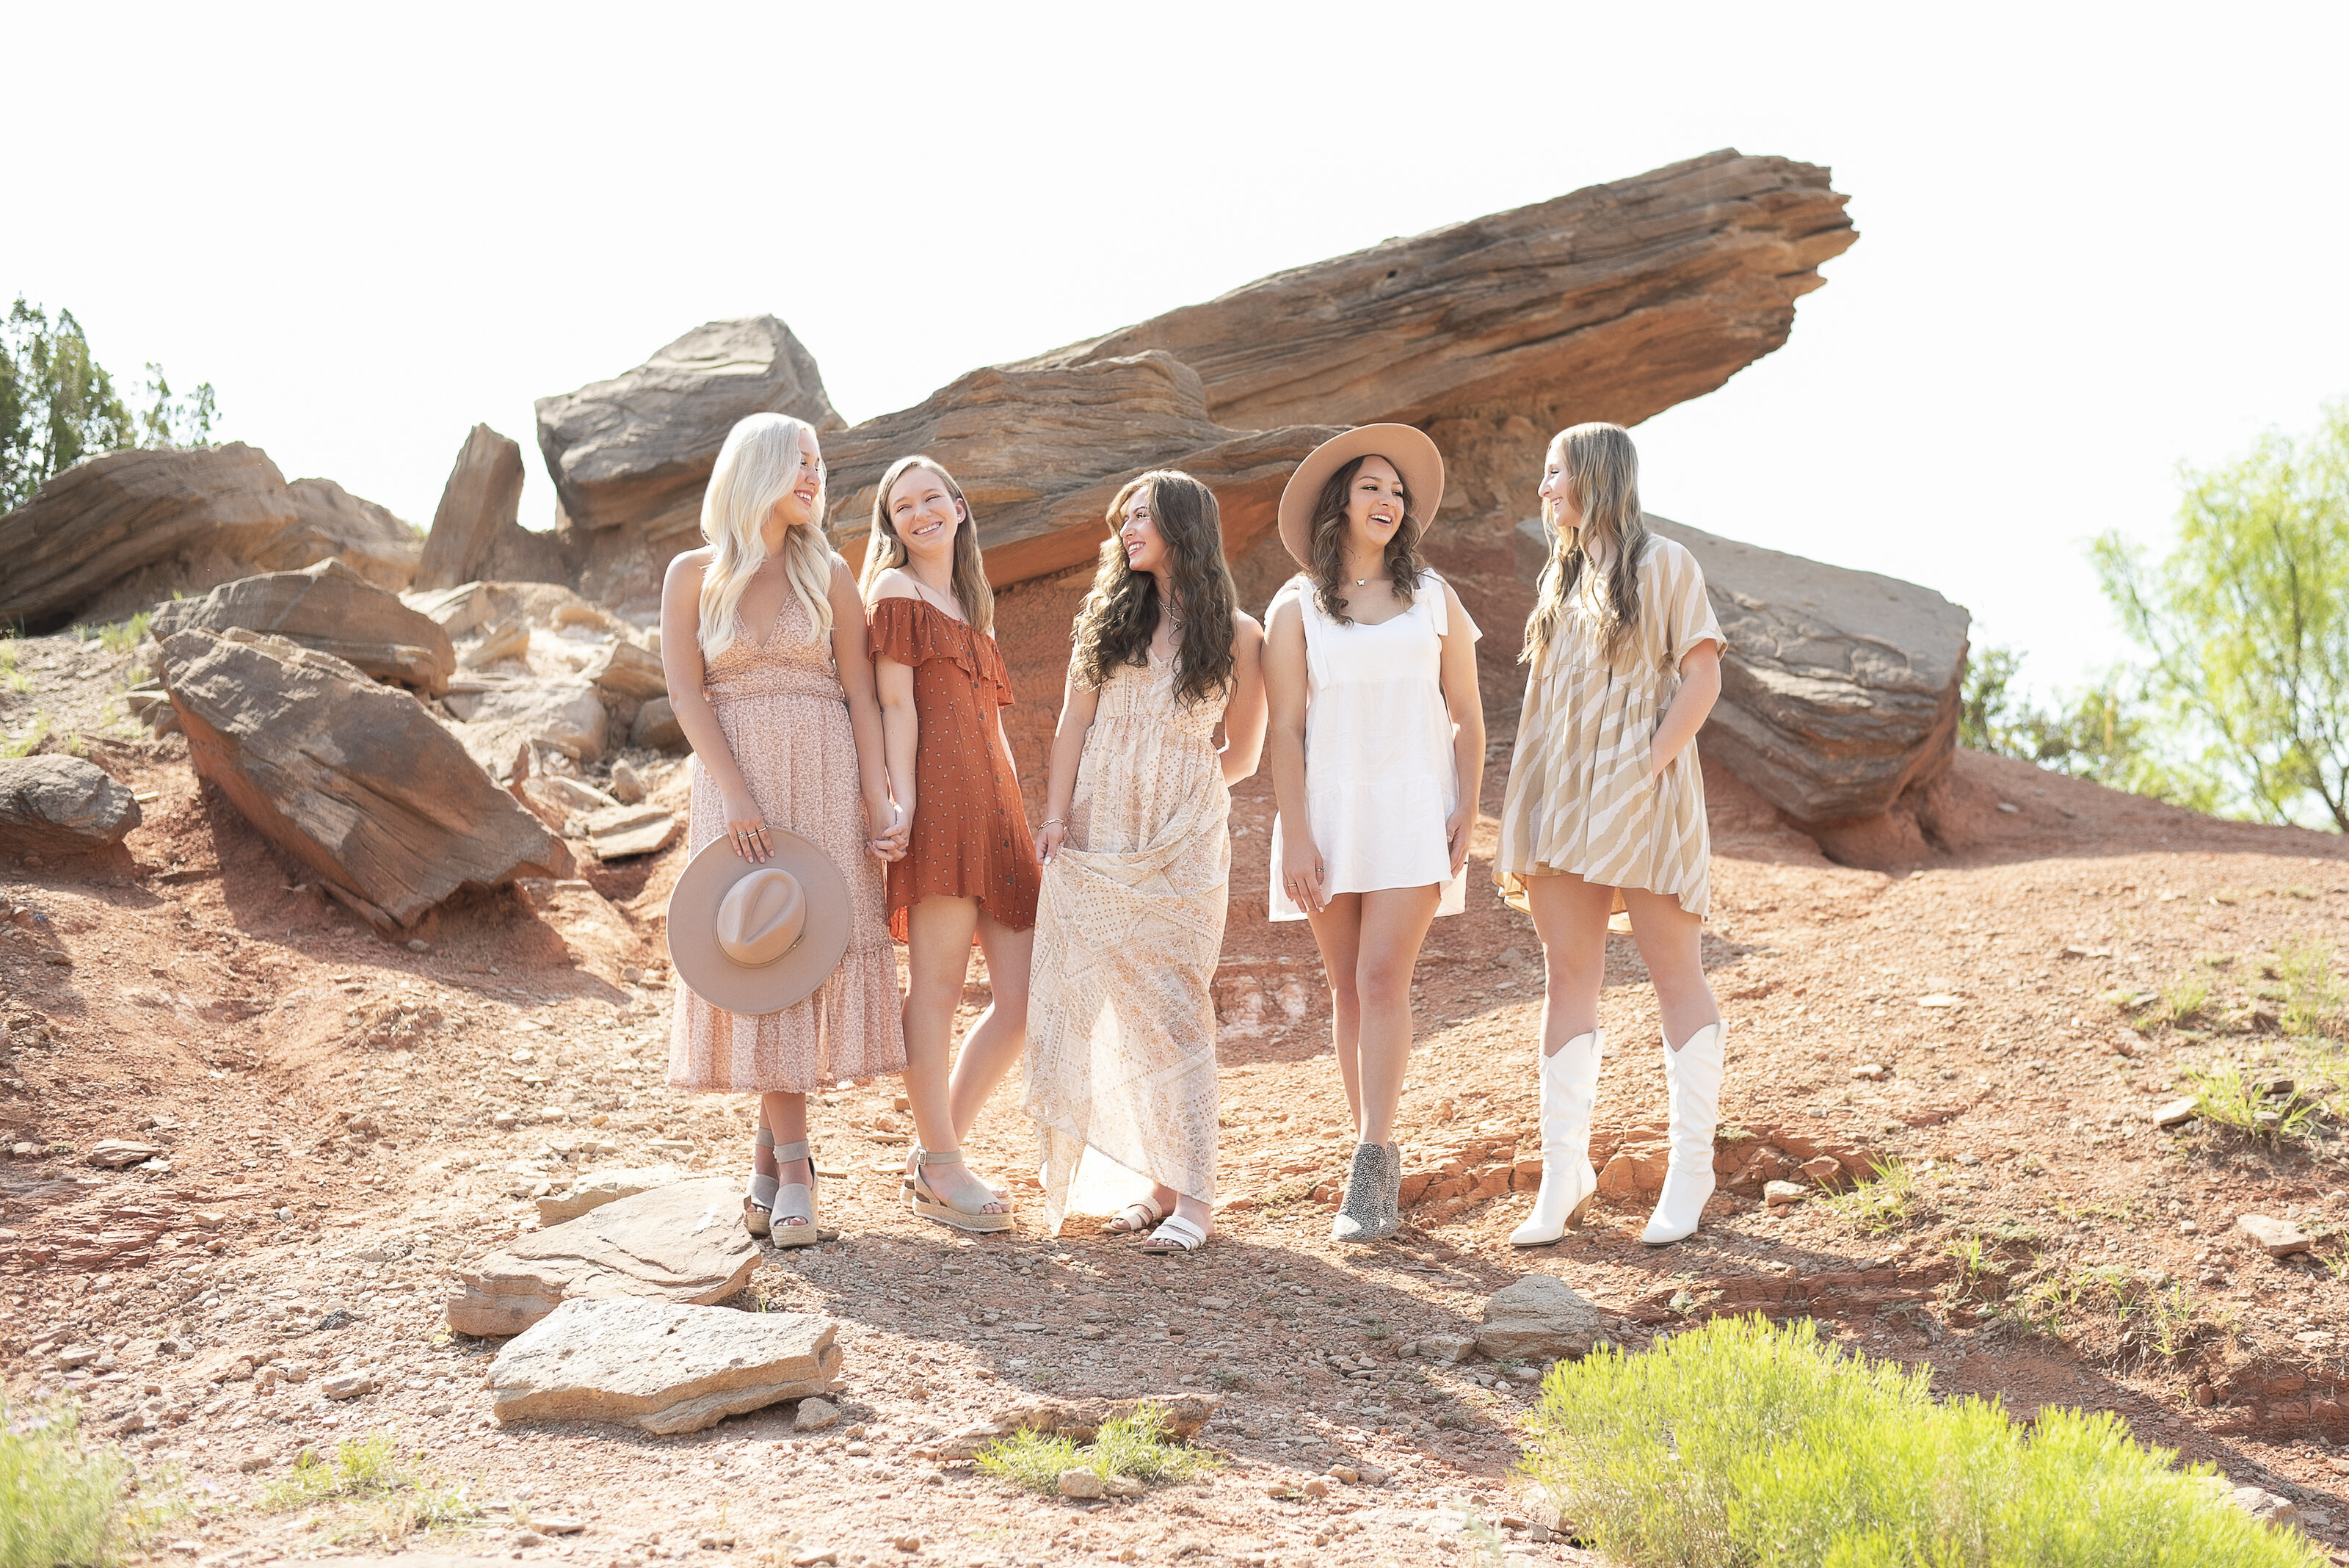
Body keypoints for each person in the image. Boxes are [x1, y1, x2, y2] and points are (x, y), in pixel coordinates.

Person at [660, 412, 908, 1244]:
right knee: (757, 951)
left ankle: (774, 1166)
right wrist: (732, 791)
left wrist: (878, 798)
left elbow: (861, 694)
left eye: (817, 463)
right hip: (737, 782)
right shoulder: (692, 573)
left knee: (798, 951)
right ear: (756, 467)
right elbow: (687, 694)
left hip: (824, 775)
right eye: (797, 461)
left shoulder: (828, 571)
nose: (812, 476)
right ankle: (796, 1164)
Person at [1495, 422, 1727, 1248]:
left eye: (1552, 472)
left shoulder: (1665, 563)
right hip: (1562, 791)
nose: (1543, 488)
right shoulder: (1556, 580)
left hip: (1643, 794)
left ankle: (1689, 1169)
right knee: (1567, 977)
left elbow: (1702, 674)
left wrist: (1650, 764)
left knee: (1674, 973)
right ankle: (1564, 1172)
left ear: (1592, 475)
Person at [1024, 471, 1268, 1255]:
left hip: (1182, 844)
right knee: (1125, 1011)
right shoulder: (1105, 622)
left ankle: (1195, 1194)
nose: (1127, 529)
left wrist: (1182, 790)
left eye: (1141, 517)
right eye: (1123, 518)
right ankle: (1157, 1186)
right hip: (1099, 831)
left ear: (1182, 527)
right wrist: (1058, 817)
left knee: (1176, 1007)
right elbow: (1071, 723)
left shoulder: (1238, 633)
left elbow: (1246, 754)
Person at [1263, 424, 1484, 1244]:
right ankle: (1374, 1160)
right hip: (1328, 813)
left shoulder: (1434, 598)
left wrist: (1466, 802)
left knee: (1385, 974)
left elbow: (1466, 714)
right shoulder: (1295, 608)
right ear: (1340, 504)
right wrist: (1293, 836)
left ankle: (1370, 1162)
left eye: (1396, 490)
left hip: (1415, 810)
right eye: (1371, 488)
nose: (1387, 500)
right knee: (1346, 987)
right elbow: (1284, 731)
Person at [865, 455, 1039, 1233]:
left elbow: (993, 727)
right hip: (937, 806)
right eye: (901, 507)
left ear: (960, 508)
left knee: (1023, 1002)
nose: (918, 514)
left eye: (930, 498)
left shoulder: (974, 605)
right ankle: (942, 1163)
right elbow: (895, 707)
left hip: (996, 811)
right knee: (934, 990)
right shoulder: (894, 591)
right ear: (891, 523)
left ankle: (936, 1153)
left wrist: (1019, 816)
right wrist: (898, 800)